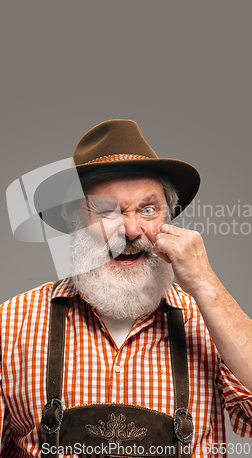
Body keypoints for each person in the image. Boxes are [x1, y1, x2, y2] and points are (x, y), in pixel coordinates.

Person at [0, 119, 251, 458]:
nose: (131, 230)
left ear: (168, 218)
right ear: (74, 220)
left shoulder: (211, 323)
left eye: (148, 210)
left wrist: (206, 285)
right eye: (106, 211)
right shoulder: (11, 323)